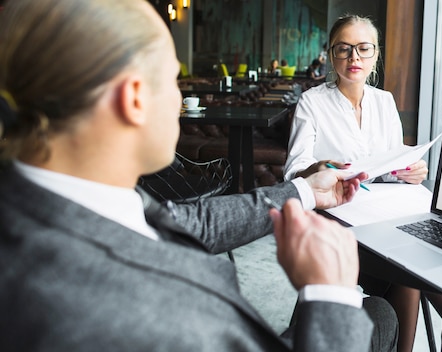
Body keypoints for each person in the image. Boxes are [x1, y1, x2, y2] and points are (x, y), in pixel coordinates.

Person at [0, 1, 399, 351]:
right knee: (380, 315)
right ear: (134, 97)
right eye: (173, 79)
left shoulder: (62, 196)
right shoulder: (113, 310)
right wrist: (332, 295)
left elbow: (187, 221)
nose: (180, 96)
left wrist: (305, 191)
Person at [283, 14, 442, 352]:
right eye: (344, 49)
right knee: (410, 266)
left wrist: (410, 171)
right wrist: (320, 167)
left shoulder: (384, 101)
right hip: (336, 222)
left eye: (364, 49)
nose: (355, 58)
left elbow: (393, 164)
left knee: (413, 256)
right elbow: (294, 169)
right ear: (332, 54)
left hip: (381, 213)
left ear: (375, 55)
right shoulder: (313, 102)